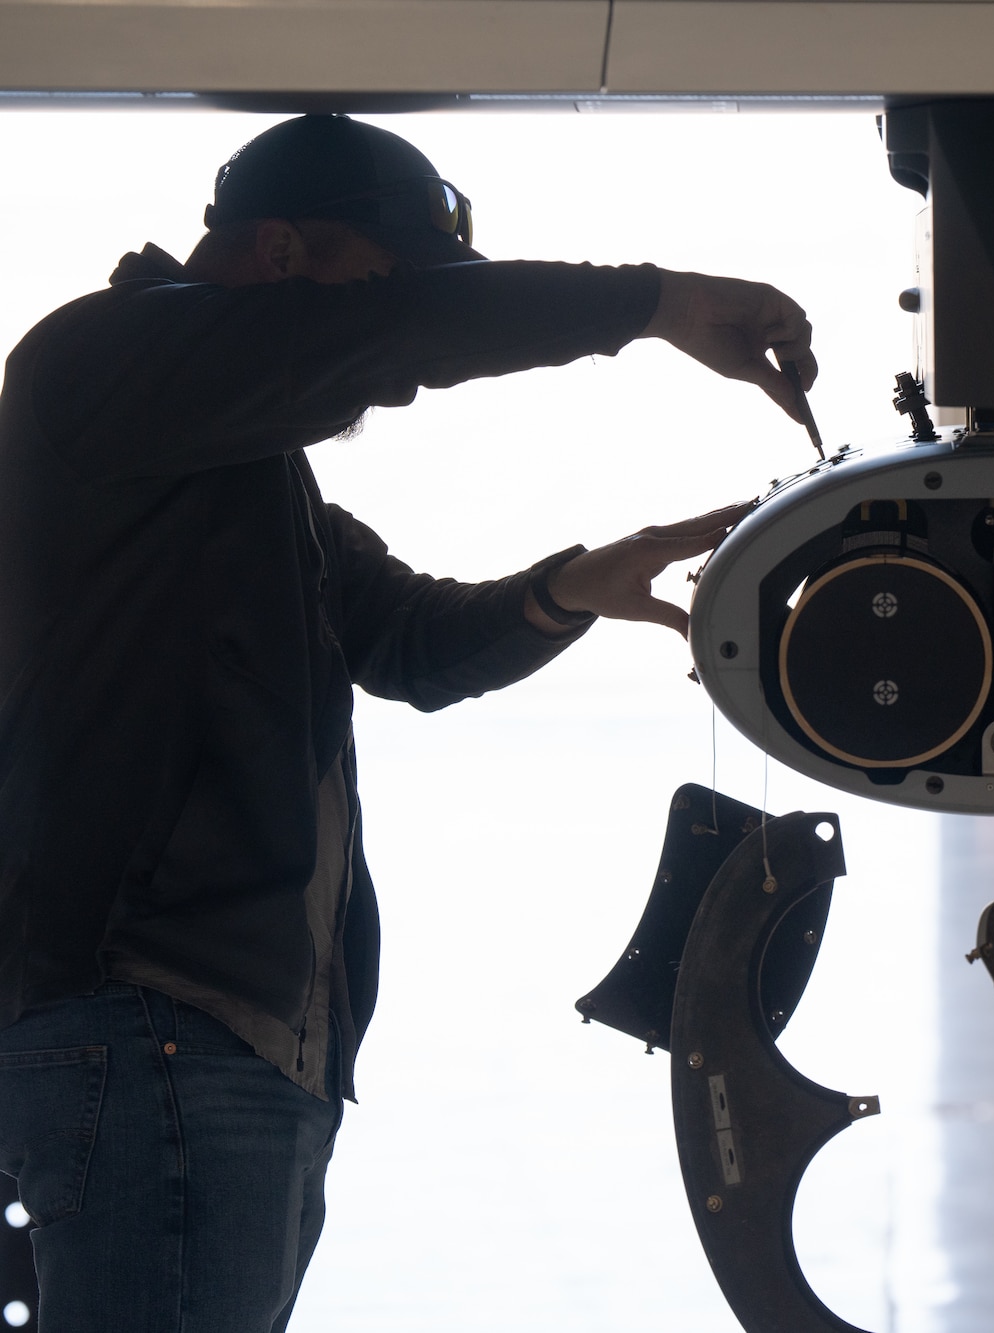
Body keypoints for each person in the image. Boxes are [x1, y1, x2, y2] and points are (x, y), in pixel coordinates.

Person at [0, 114, 812, 1331]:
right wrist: (656, 302)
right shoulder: (95, 368)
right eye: (379, 286)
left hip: (241, 1044)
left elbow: (407, 646)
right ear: (281, 255)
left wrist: (569, 589)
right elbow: (405, 334)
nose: (381, 360)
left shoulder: (236, 471)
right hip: (152, 1023)